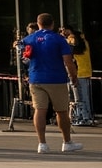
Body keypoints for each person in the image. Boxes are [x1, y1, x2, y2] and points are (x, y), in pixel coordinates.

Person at [20, 14, 83, 154]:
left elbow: (24, 57)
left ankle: (42, 143)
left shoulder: (29, 39)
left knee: (40, 110)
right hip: (56, 79)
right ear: (52, 24)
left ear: (38, 23)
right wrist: (73, 76)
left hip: (36, 78)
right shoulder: (59, 39)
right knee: (61, 111)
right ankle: (67, 142)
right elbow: (68, 61)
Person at [66, 27, 93, 127]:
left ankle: (83, 116)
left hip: (78, 72)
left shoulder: (73, 41)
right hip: (85, 72)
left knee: (78, 97)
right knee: (84, 96)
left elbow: (70, 46)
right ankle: (86, 116)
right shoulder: (84, 42)